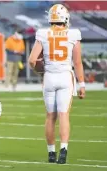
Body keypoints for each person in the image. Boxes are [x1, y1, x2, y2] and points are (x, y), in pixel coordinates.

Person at [28, 4, 85, 164]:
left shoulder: (43, 33)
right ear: (65, 18)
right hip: (65, 77)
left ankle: (51, 153)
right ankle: (63, 151)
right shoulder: (73, 34)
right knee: (64, 115)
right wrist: (82, 84)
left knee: (50, 117)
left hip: (49, 77)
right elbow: (78, 62)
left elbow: (32, 60)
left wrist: (40, 70)